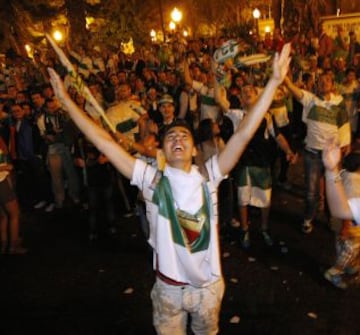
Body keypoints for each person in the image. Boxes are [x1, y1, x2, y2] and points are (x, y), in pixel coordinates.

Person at [47, 43, 291, 335]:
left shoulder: (208, 176)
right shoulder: (151, 180)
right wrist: (66, 101)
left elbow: (243, 135)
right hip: (168, 291)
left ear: (192, 149)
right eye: (171, 135)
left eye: (184, 136)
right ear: (162, 148)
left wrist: (274, 81)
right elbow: (104, 142)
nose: (178, 138)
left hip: (208, 289)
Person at [284, 72, 351, 234]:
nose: (323, 83)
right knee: (311, 192)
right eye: (320, 81)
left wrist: (346, 144)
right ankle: (308, 218)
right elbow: (294, 89)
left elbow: (344, 125)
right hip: (312, 154)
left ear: (332, 84)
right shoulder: (310, 100)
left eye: (327, 80)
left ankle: (330, 218)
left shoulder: (339, 103)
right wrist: (284, 77)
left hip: (331, 156)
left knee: (332, 191)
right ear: (316, 85)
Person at [322, 139, 360, 289]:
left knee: (341, 247)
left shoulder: (344, 174)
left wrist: (332, 169)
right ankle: (335, 272)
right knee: (351, 249)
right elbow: (348, 209)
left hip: (338, 222)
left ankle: (348, 266)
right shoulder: (355, 182)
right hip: (349, 226)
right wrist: (346, 227)